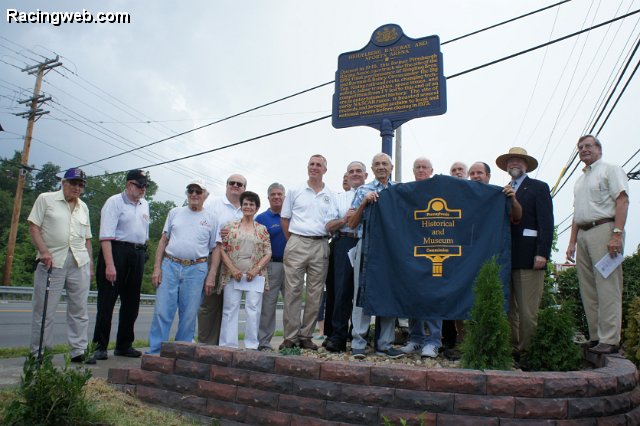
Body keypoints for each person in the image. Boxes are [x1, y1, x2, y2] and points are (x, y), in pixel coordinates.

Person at [566, 135, 629, 355]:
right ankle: (595, 337)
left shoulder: (610, 169)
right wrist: (572, 242)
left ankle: (610, 339)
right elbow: (576, 214)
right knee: (588, 289)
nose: (584, 150)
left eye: (588, 146)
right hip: (583, 233)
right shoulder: (580, 180)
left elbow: (622, 200)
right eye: (580, 147)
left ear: (599, 149)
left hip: (605, 229)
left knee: (608, 285)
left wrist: (617, 234)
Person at [28, 168, 95, 364]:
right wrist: (43, 252)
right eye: (73, 183)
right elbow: (33, 226)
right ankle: (39, 353)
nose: (77, 188)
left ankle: (79, 351)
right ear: (63, 183)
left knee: (79, 309)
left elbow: (88, 238)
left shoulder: (84, 207)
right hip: (52, 261)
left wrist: (90, 265)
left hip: (79, 261)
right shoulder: (46, 199)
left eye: (81, 185)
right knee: (45, 310)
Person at [147, 179, 219, 354]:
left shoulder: (212, 218)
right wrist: (157, 268)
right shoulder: (175, 212)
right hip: (170, 265)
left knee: (188, 315)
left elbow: (216, 248)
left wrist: (211, 275)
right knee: (162, 311)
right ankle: (156, 352)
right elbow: (164, 241)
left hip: (196, 269)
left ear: (205, 195)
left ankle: (181, 354)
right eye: (190, 191)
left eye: (198, 191)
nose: (194, 194)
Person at [496, 147, 554, 355]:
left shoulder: (538, 187)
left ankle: (529, 352)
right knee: (510, 310)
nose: (514, 164)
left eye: (519, 161)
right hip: (507, 258)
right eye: (511, 161)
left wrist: (542, 253)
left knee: (528, 311)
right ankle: (513, 350)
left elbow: (546, 223)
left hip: (530, 257)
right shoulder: (502, 190)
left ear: (526, 165)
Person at [347, 152, 404, 359]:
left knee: (389, 292)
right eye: (377, 164)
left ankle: (385, 344)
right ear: (372, 169)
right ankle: (358, 342)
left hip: (391, 249)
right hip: (367, 246)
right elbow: (351, 223)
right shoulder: (363, 190)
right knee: (361, 293)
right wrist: (365, 203)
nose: (381, 167)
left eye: (384, 164)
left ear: (391, 167)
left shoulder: (399, 190)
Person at [93, 169, 150, 360]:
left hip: (138, 253)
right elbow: (106, 236)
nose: (142, 189)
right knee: (107, 301)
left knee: (131, 303)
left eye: (145, 186)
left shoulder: (144, 205)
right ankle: (100, 345)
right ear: (128, 184)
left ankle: (124, 345)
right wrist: (110, 265)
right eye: (139, 185)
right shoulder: (114, 202)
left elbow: (143, 232)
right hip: (116, 251)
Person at [279, 154, 333, 350]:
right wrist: (293, 241)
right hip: (297, 242)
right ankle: (290, 337)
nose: (315, 167)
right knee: (292, 291)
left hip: (320, 244)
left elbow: (332, 221)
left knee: (315, 293)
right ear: (307, 167)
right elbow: (285, 219)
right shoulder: (295, 190)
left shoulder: (331, 194)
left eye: (319, 165)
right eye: (311, 164)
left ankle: (306, 336)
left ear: (325, 170)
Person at [399, 157, 443, 358]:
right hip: (412, 250)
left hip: (434, 249)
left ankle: (433, 341)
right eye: (417, 167)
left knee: (433, 296)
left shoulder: (439, 192)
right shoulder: (406, 192)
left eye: (425, 167)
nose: (421, 170)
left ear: (432, 170)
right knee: (413, 295)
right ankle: (416, 339)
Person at [324, 161, 368, 353]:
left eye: (359, 171)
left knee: (364, 292)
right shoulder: (339, 198)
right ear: (347, 176)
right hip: (344, 242)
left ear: (366, 175)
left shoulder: (373, 194)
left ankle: (362, 336)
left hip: (367, 243)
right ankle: (338, 337)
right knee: (341, 291)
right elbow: (328, 226)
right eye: (351, 172)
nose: (355, 174)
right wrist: (344, 219)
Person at [219, 191, 272, 349]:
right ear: (241, 207)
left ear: (257, 208)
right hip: (232, 274)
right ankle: (228, 345)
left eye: (252, 204)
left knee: (253, 309)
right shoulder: (230, 226)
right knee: (230, 308)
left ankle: (251, 345)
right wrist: (233, 269)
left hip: (254, 275)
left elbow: (268, 252)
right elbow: (222, 249)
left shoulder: (262, 229)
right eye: (245, 204)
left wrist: (256, 269)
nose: (248, 207)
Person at [198, 174, 246, 345]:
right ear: (226, 185)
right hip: (215, 259)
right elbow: (202, 226)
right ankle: (206, 345)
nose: (235, 185)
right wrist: (219, 232)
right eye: (231, 183)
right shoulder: (213, 204)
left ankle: (224, 346)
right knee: (210, 304)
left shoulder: (247, 208)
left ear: (244, 188)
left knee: (230, 306)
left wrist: (233, 232)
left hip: (236, 263)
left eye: (239, 184)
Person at [256, 183, 286, 351]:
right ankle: (264, 342)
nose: (276, 197)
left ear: (284, 197)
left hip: (291, 265)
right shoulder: (261, 219)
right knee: (268, 306)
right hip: (270, 266)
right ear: (268, 197)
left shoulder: (291, 216)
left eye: (279, 194)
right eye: (273, 194)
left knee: (292, 304)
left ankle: (290, 340)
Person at [442, 161, 469, 353]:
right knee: (447, 295)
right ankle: (450, 339)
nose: (457, 172)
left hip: (469, 252)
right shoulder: (445, 195)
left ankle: (466, 340)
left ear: (466, 174)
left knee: (466, 296)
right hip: (447, 251)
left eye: (461, 170)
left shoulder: (478, 194)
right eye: (454, 170)